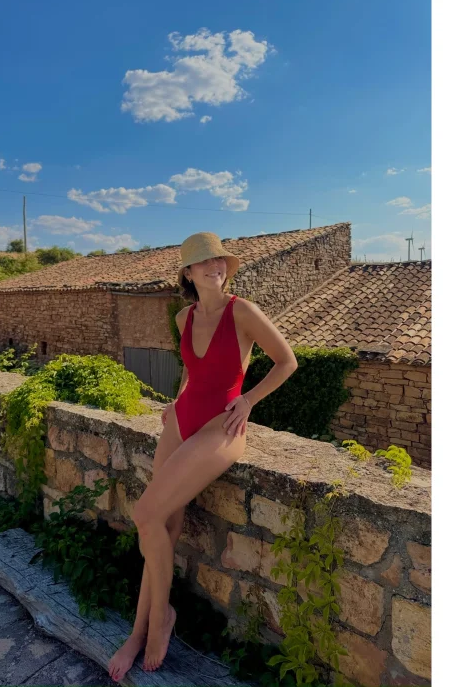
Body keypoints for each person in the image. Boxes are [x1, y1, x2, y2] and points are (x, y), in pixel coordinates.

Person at [108, 231, 298, 681]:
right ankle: (138, 632)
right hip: (183, 420)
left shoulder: (243, 311)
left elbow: (286, 361)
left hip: (223, 426)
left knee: (145, 513)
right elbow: (191, 373)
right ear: (189, 273)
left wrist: (248, 401)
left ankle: (160, 620)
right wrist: (176, 402)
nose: (216, 267)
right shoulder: (183, 317)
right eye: (205, 262)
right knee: (160, 525)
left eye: (220, 262)